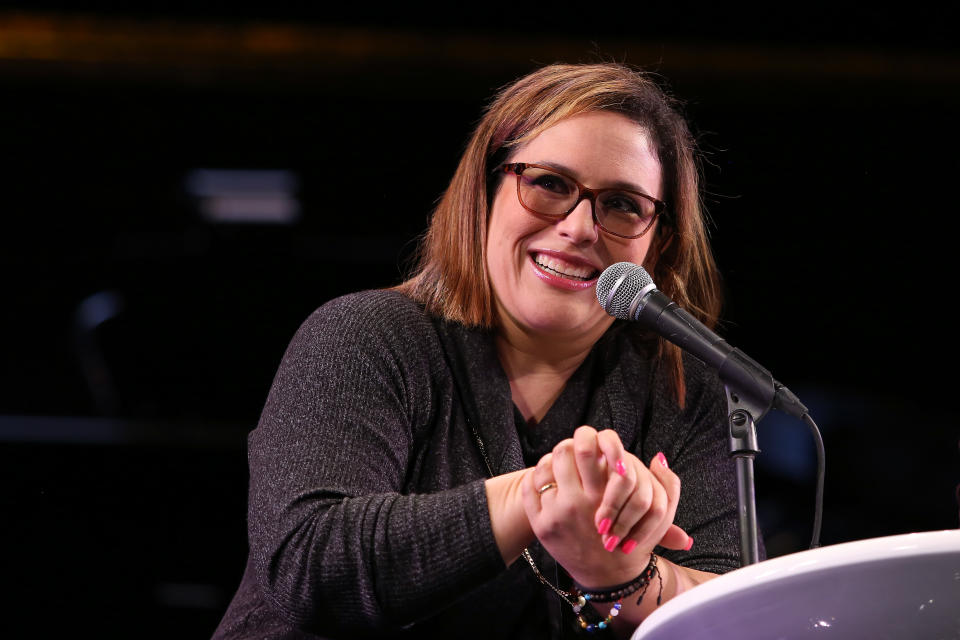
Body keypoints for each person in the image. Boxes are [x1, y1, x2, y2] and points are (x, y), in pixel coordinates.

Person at [211, 62, 745, 640]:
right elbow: (311, 567)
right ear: (485, 192)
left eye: (622, 204)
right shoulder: (365, 335)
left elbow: (740, 611)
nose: (581, 227)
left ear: (657, 242)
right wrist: (541, 493)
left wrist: (616, 572)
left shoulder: (681, 387)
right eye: (549, 183)